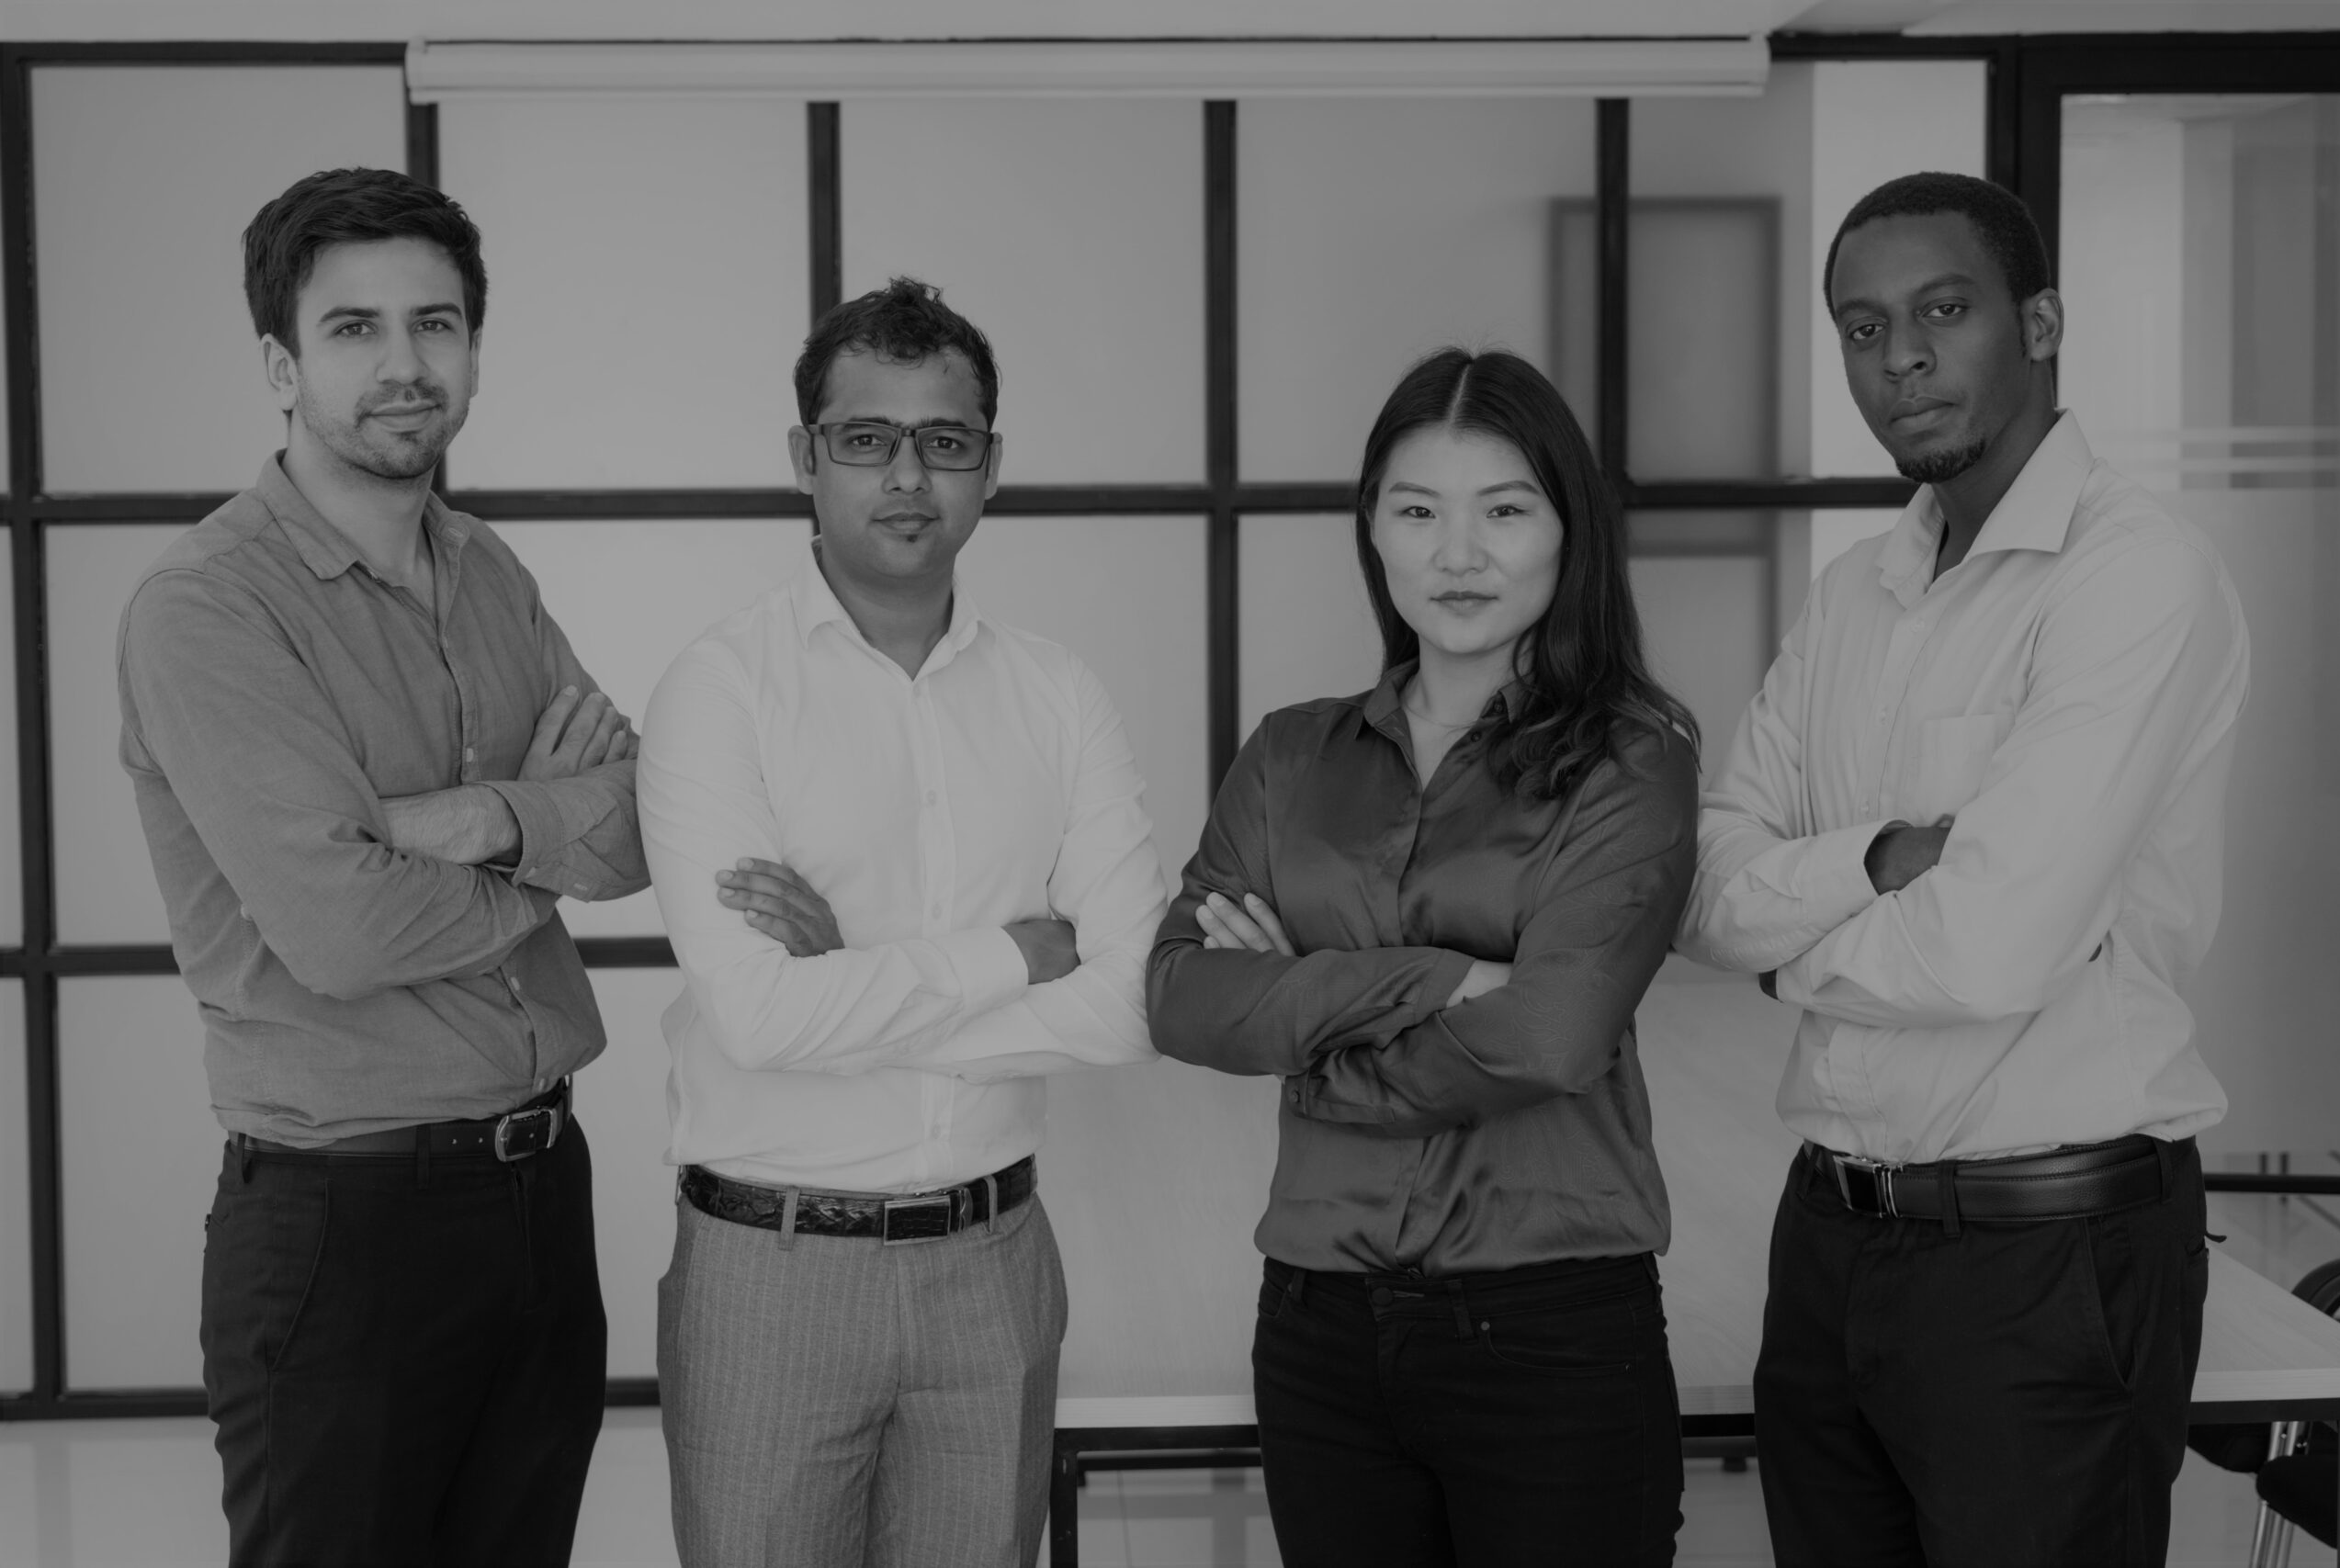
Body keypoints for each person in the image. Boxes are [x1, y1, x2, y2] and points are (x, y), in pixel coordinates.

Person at [1678, 171, 2249, 1565]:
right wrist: (1881, 859)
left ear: (2040, 320)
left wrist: (1794, 944)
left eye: (1946, 311)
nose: (1903, 359)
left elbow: (1991, 947)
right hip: (1831, 1242)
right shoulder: (1853, 594)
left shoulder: (2132, 579)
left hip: (2047, 1256)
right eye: (1863, 329)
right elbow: (1702, 890)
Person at [117, 167, 647, 1566]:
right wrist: (546, 829)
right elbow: (341, 932)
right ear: (283, 366)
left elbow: (645, 824)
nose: (406, 365)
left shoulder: (489, 574)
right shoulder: (208, 609)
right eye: (356, 330)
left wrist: (468, 817)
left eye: (438, 324)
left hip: (541, 1192)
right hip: (344, 1223)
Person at [636, 276, 1166, 1568]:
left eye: (947, 442)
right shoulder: (721, 691)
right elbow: (758, 1020)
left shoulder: (1057, 695)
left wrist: (859, 985)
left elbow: (1131, 998)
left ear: (993, 465)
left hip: (991, 1266)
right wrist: (1010, 957)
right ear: (805, 459)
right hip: (773, 1268)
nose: (908, 478)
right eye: (867, 439)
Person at [1147, 347, 1699, 1566]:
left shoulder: (1633, 757)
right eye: (1418, 511)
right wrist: (1442, 982)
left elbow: (1553, 1037)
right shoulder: (1292, 756)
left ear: (1568, 532)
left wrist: (1300, 1022)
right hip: (1318, 1328)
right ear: (1374, 533)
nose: (1459, 556)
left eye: (1505, 510)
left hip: (1551, 1332)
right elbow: (1180, 996)